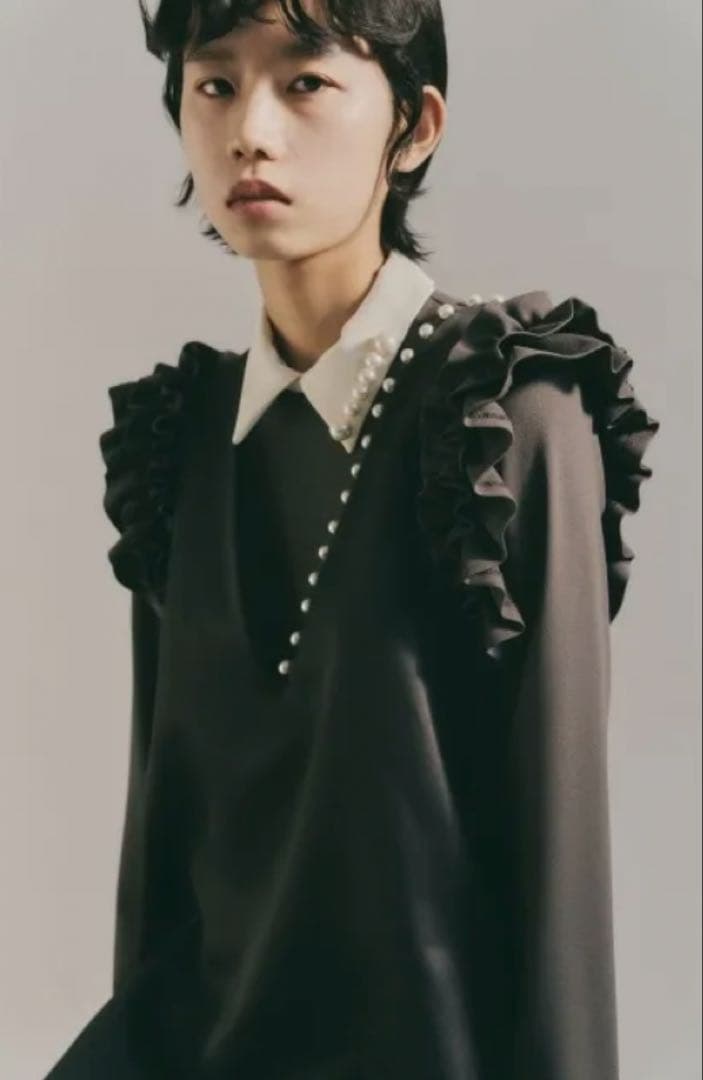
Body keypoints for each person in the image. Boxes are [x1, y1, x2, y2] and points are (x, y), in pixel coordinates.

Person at [46, 0, 660, 1077]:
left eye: (306, 82)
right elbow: (160, 856)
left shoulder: (506, 416)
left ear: (414, 127)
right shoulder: (178, 440)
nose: (250, 131)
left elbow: (558, 868)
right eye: (214, 84)